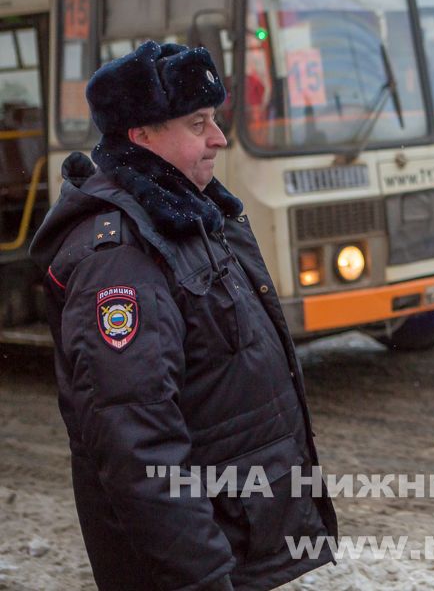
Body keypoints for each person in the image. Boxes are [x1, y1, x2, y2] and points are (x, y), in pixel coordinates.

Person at [29, 41, 337, 591]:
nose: (218, 138)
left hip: (236, 535)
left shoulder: (187, 216)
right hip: (194, 565)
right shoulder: (120, 257)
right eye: (198, 124)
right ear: (141, 135)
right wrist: (202, 576)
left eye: (214, 120)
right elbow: (137, 444)